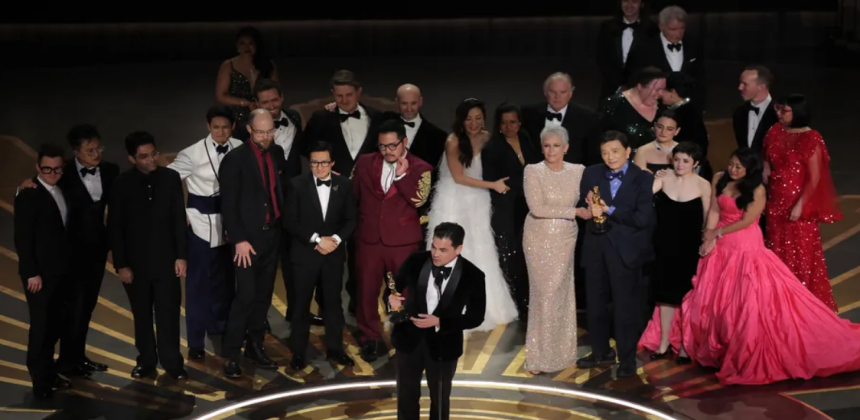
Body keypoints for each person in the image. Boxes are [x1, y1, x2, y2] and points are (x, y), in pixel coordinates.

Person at [680, 148, 860, 385]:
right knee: (715, 298)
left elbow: (747, 221)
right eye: (731, 163)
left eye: (739, 167)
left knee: (747, 301)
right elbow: (714, 209)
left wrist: (718, 233)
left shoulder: (757, 189)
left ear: (750, 169)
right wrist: (708, 237)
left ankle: (744, 350)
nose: (733, 169)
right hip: (721, 246)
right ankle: (719, 347)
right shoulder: (720, 178)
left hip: (745, 246)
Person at [424, 98, 519, 329]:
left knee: (481, 248)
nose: (474, 123)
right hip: (454, 199)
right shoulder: (453, 141)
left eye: (478, 118)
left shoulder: (487, 138)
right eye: (468, 119)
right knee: (453, 249)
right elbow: (459, 178)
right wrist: (493, 185)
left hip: (478, 200)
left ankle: (485, 305)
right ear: (461, 120)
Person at [351, 118, 433, 362]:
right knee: (366, 291)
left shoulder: (421, 167)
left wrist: (402, 176)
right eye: (382, 146)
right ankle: (369, 338)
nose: (387, 151)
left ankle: (406, 337)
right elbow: (353, 195)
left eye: (392, 146)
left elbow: (419, 200)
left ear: (404, 142)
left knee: (406, 292)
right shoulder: (365, 162)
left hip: (403, 241)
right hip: (369, 239)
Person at [576, 130, 654, 378]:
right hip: (595, 248)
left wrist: (609, 209)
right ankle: (601, 351)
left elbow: (642, 219)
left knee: (624, 309)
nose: (610, 157)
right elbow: (584, 204)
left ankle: (627, 358)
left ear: (628, 151)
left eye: (615, 151)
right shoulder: (591, 173)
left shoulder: (643, 178)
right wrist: (586, 207)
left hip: (625, 252)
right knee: (595, 305)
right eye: (605, 152)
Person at [108, 132, 187, 379]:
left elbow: (178, 218)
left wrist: (181, 256)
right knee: (141, 316)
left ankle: (173, 363)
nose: (151, 159)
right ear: (132, 158)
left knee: (168, 315)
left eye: (153, 154)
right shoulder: (121, 184)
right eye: (144, 156)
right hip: (136, 265)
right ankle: (146, 361)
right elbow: (115, 227)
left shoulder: (170, 178)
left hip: (167, 262)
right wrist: (122, 264)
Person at [166, 105, 243, 359]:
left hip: (231, 226)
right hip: (200, 226)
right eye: (215, 127)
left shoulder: (240, 147)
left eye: (225, 127)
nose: (220, 131)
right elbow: (166, 181)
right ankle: (196, 343)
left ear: (233, 127)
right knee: (198, 287)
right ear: (208, 127)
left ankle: (221, 330)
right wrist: (182, 214)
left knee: (225, 284)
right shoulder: (191, 153)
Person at [389, 223, 486, 420]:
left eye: (443, 250)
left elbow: (476, 317)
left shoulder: (473, 275)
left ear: (458, 249)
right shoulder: (415, 261)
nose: (435, 254)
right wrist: (391, 301)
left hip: (444, 346)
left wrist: (440, 322)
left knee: (440, 400)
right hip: (409, 340)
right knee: (406, 397)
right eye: (433, 247)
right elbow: (393, 289)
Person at [219, 109, 289, 377]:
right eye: (261, 132)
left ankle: (255, 346)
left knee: (263, 295)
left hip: (272, 234)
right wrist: (238, 239)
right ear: (249, 130)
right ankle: (231, 354)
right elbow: (229, 203)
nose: (266, 136)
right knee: (246, 296)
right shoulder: (234, 159)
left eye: (270, 131)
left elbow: (278, 190)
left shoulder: (277, 152)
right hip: (247, 241)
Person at [763, 95, 842, 311]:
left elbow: (814, 177)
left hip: (798, 204)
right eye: (779, 109)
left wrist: (800, 205)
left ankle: (801, 306)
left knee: (800, 254)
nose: (779, 114)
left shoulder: (811, 138)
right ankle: (779, 304)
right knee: (776, 250)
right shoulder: (774, 131)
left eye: (784, 110)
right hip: (775, 203)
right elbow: (766, 165)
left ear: (797, 112)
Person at [283, 140, 357, 370]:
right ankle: (298, 353)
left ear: (332, 163)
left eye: (324, 162)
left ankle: (336, 350)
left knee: (333, 304)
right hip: (304, 255)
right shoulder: (296, 185)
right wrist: (317, 239)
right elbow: (290, 221)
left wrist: (334, 240)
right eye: (314, 163)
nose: (319, 167)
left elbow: (351, 220)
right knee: (300, 305)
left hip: (332, 255)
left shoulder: (344, 185)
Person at [522, 126, 588, 374]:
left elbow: (593, 196)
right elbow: (537, 208)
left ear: (566, 148)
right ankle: (539, 357)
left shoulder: (578, 171)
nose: (551, 151)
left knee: (562, 293)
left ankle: (561, 354)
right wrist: (574, 212)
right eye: (547, 146)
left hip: (566, 238)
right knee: (544, 294)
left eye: (556, 146)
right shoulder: (533, 170)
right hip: (538, 237)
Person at [637, 142, 710, 362]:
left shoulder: (703, 185)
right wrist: (647, 176)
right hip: (663, 245)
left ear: (696, 163)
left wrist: (706, 243)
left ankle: (686, 347)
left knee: (686, 298)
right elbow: (642, 196)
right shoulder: (664, 178)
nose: (680, 164)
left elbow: (708, 219)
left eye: (685, 161)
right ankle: (663, 344)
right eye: (677, 160)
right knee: (665, 297)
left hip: (689, 248)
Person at [14, 144, 74, 398]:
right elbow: (22, 238)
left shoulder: (63, 187)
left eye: (57, 169)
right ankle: (40, 381)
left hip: (61, 271)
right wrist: (31, 273)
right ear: (38, 167)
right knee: (41, 327)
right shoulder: (29, 195)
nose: (52, 173)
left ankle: (49, 373)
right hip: (39, 275)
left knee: (55, 325)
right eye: (47, 169)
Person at [482, 103, 541, 317]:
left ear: (520, 123)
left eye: (513, 122)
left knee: (531, 254)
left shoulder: (527, 139)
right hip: (506, 208)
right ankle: (517, 303)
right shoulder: (492, 148)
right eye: (504, 123)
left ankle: (533, 299)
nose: (508, 126)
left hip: (530, 206)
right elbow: (494, 181)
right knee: (511, 255)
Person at [625, 5, 705, 108]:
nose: (678, 34)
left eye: (682, 28)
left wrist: (693, 105)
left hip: (687, 108)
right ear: (661, 26)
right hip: (655, 109)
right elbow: (634, 81)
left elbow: (700, 80)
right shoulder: (643, 49)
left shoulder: (694, 45)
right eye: (673, 29)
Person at [521, 72, 602, 166]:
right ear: (545, 92)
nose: (557, 97)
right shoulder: (527, 114)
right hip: (534, 172)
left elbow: (593, 156)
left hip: (574, 173)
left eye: (562, 92)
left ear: (571, 93)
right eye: (553, 92)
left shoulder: (588, 118)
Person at [215, 26, 279, 141]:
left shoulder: (268, 65)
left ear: (257, 45)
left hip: (264, 113)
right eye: (242, 43)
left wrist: (264, 105)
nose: (246, 47)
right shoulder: (228, 65)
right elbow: (221, 96)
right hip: (238, 117)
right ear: (237, 45)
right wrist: (247, 103)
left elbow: (276, 91)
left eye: (250, 43)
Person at [595, 0, 658, 100]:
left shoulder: (653, 30)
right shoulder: (606, 28)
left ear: (642, 4)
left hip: (642, 90)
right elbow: (602, 58)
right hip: (611, 90)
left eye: (634, 1)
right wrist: (620, 85)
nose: (629, 5)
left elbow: (652, 60)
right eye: (625, 1)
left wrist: (633, 86)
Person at [732, 65, 777, 155]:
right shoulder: (739, 113)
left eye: (745, 84)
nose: (740, 87)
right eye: (740, 83)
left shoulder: (779, 114)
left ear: (761, 87)